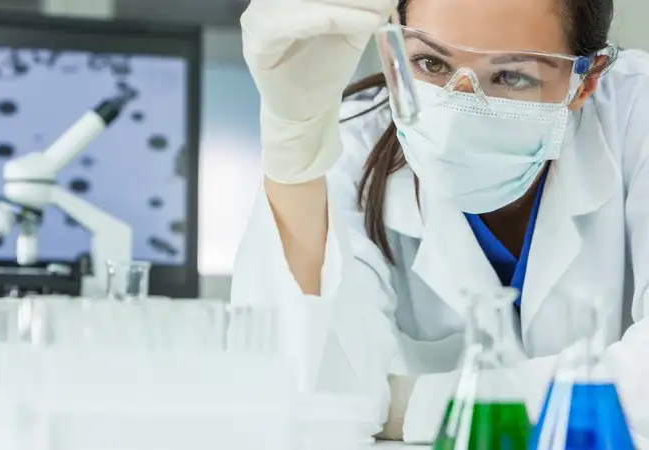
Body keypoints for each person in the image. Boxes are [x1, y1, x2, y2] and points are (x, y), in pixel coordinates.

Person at [234, 0, 649, 442]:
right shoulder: (348, 143)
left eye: (511, 75)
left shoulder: (636, 113)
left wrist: (418, 404)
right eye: (430, 62)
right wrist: (292, 147)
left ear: (586, 80)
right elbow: (299, 406)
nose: (458, 108)